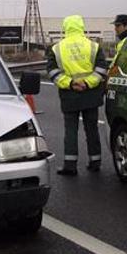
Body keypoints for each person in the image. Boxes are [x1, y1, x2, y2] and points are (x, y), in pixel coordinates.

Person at [47, 15, 108, 175]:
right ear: (82, 26)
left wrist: (70, 83)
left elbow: (52, 72)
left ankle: (70, 165)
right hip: (91, 94)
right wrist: (87, 83)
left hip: (69, 95)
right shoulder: (93, 46)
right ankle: (95, 162)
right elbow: (102, 69)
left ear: (65, 27)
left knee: (71, 130)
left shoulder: (57, 48)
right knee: (92, 130)